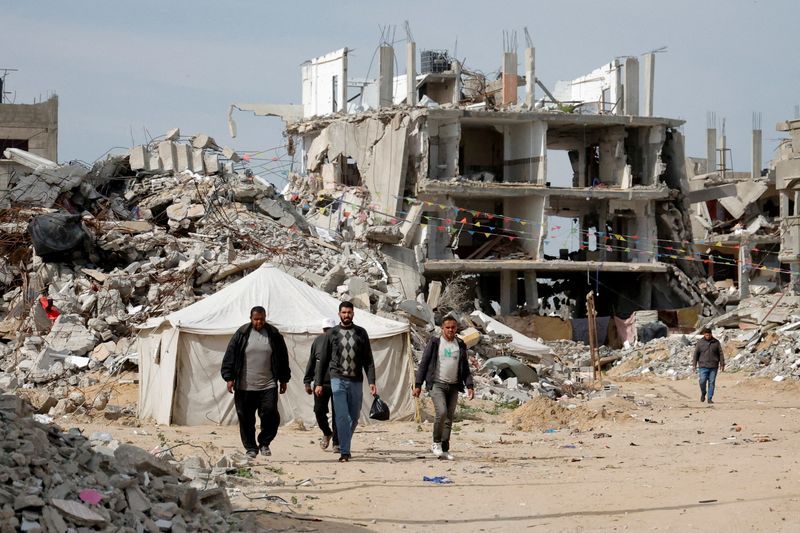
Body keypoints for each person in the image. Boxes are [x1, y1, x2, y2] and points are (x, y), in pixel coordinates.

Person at [221, 306, 290, 459]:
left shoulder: (273, 334)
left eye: (262, 319)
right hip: (244, 386)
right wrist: (229, 377)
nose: (259, 322)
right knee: (245, 418)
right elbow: (230, 355)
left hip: (268, 384)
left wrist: (284, 379)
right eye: (256, 319)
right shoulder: (242, 334)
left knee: (270, 414)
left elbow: (282, 358)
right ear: (250, 318)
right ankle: (251, 447)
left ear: (265, 318)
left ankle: (264, 442)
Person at [315, 301, 377, 462]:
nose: (346, 315)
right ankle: (345, 451)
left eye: (349, 312)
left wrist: (372, 381)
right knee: (341, 416)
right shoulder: (332, 334)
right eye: (344, 312)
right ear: (339, 314)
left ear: (353, 313)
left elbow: (368, 359)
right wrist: (318, 382)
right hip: (338, 379)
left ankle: (344, 442)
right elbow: (323, 360)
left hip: (356, 380)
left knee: (354, 417)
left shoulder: (361, 333)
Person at [413, 315, 474, 460]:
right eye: (448, 327)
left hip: (454, 386)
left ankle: (445, 448)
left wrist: (470, 385)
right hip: (437, 384)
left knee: (449, 418)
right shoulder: (435, 342)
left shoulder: (459, 344)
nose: (451, 330)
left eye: (453, 327)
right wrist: (418, 385)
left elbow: (464, 367)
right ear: (442, 328)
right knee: (442, 412)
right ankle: (436, 442)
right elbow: (424, 364)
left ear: (456, 328)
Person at [304, 317, 339, 452]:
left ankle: (337, 442)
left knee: (338, 414)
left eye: (330, 330)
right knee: (319, 411)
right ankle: (326, 432)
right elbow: (312, 361)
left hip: (338, 382)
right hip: (320, 384)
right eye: (326, 330)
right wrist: (307, 381)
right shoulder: (318, 341)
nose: (328, 332)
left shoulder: (340, 341)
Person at [693, 326, 724, 404]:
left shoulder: (716, 342)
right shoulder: (700, 342)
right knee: (702, 381)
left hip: (713, 366)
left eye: (709, 335)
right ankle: (703, 393)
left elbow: (720, 354)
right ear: (704, 335)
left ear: (711, 334)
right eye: (706, 335)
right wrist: (694, 365)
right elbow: (696, 354)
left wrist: (722, 364)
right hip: (703, 366)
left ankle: (709, 398)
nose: (708, 336)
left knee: (712, 382)